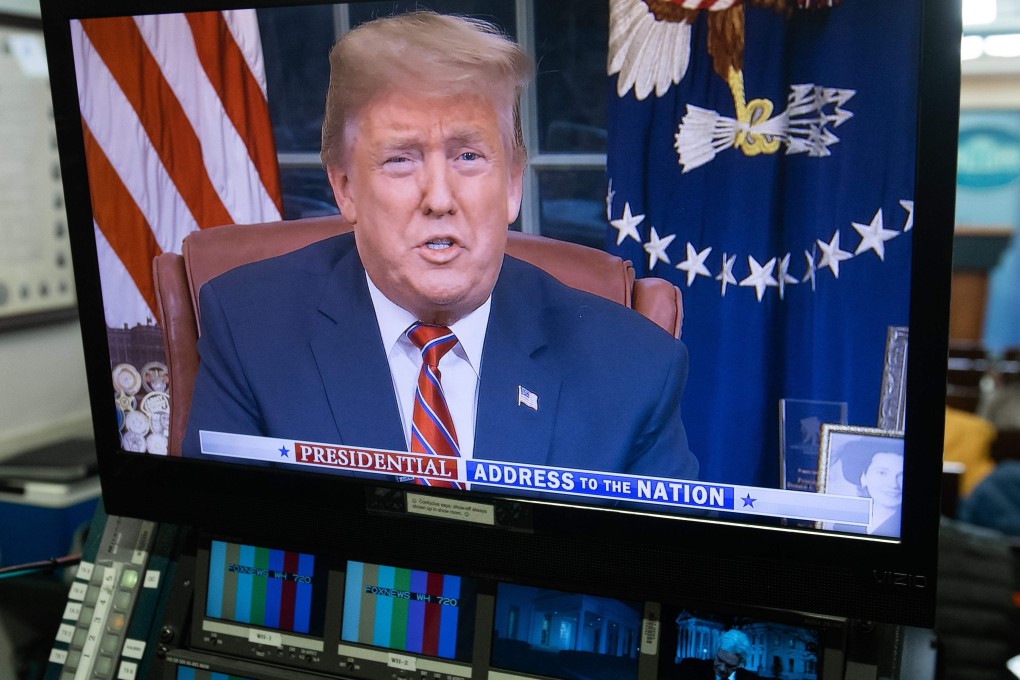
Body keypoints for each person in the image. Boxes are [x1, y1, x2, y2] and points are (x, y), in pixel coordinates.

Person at [181, 12, 697, 487]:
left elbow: (644, 581)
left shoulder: (634, 368)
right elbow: (230, 560)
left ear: (513, 184)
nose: (440, 198)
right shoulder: (250, 329)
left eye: (468, 155)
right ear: (344, 187)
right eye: (401, 160)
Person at [833, 437, 903, 537]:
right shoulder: (846, 523)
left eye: (901, 475)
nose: (893, 484)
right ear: (863, 478)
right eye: (882, 473)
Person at [674, 629, 760, 680]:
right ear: (717, 651)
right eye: (720, 660)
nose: (722, 669)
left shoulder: (752, 679)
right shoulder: (691, 670)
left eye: (730, 666)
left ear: (740, 664)